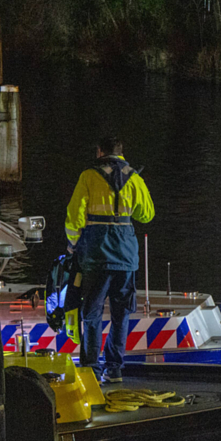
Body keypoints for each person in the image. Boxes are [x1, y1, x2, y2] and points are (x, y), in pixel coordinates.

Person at [65, 136, 155, 382]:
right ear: (121, 152)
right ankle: (114, 368)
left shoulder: (88, 176)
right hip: (125, 256)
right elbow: (147, 215)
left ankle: (91, 370)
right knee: (120, 314)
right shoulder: (134, 177)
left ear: (99, 152)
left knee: (91, 314)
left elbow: (74, 216)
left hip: (95, 255)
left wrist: (72, 246)